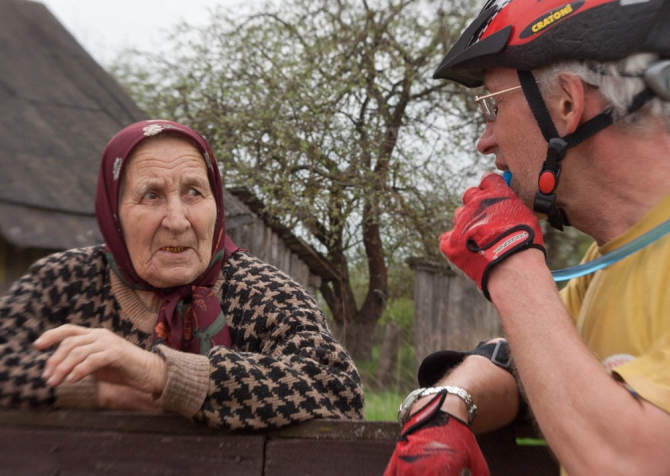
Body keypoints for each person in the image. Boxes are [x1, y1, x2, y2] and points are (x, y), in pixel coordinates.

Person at [385, 0, 670, 474]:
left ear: (566, 103)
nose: (485, 139)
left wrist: (509, 259)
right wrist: (451, 402)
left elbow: (629, 462)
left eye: (493, 106)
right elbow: (526, 367)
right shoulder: (612, 260)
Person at [0, 119, 364, 430]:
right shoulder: (67, 282)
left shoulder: (262, 293)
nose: (177, 220)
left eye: (193, 192)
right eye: (151, 196)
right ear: (114, 214)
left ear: (215, 203)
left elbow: (337, 389)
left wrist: (156, 374)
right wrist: (99, 389)